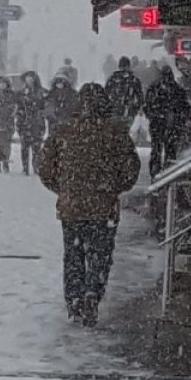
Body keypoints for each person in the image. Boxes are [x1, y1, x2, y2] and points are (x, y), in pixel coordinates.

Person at [39, 84, 141, 327]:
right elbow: (131, 168)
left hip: (71, 206)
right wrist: (114, 188)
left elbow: (44, 167)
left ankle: (73, 298)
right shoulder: (115, 132)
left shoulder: (64, 130)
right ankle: (93, 291)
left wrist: (63, 189)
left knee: (73, 254)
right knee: (100, 253)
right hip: (103, 206)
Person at [144, 65, 191, 177]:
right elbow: (185, 108)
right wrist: (179, 120)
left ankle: (155, 173)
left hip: (157, 124)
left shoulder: (154, 88)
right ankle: (168, 174)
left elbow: (147, 106)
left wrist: (152, 115)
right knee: (170, 151)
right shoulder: (178, 90)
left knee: (156, 150)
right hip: (172, 126)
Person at [15, 71, 47, 175]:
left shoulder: (42, 92)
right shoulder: (20, 93)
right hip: (24, 122)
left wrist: (40, 114)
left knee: (36, 147)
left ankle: (36, 167)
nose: (29, 80)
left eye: (31, 77)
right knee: (24, 146)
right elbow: (17, 107)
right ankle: (25, 168)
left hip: (37, 123)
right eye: (27, 78)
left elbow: (45, 106)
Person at [104, 56, 144, 132]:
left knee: (115, 131)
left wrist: (108, 107)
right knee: (125, 131)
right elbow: (140, 96)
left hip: (115, 110)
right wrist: (137, 107)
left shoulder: (112, 79)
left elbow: (105, 94)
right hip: (128, 110)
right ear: (128, 66)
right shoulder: (133, 80)